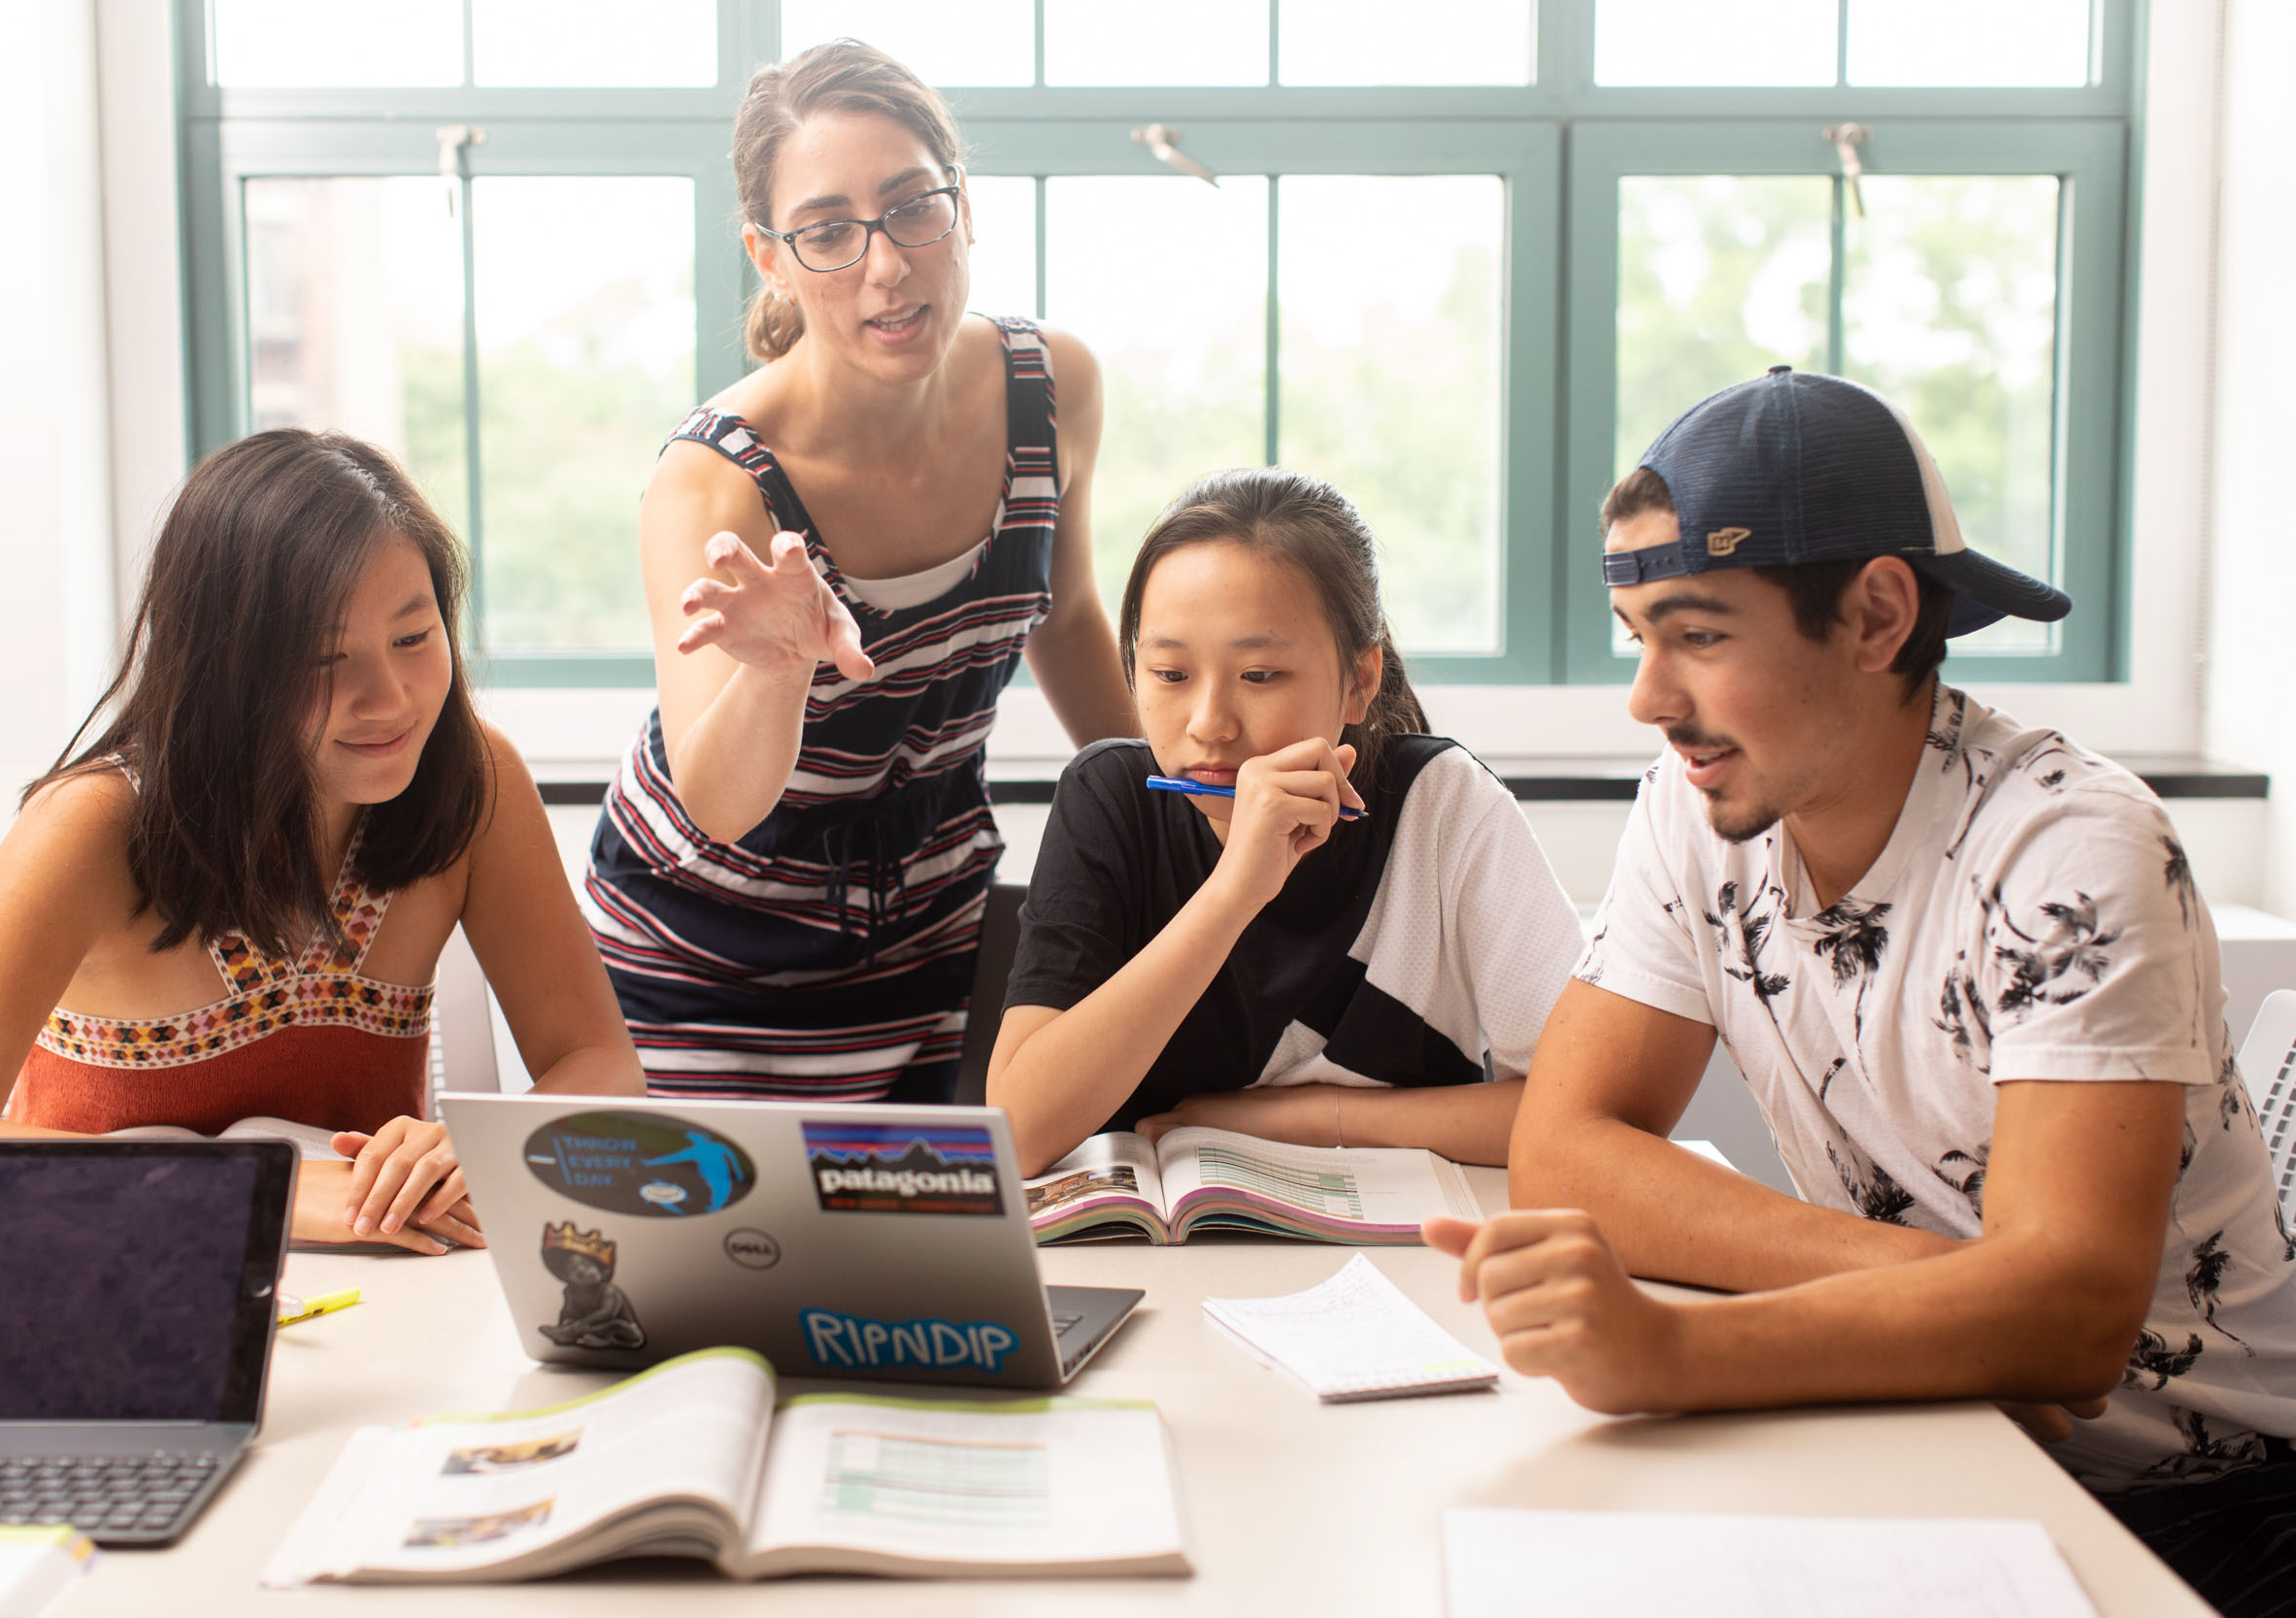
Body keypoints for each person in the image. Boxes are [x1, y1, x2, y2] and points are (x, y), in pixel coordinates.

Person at [1424, 368, 2296, 1616]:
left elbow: (2069, 1320)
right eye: (1641, 640)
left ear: (1878, 613)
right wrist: (1952, 1301)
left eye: (1700, 634)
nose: (1648, 700)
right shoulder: (1695, 806)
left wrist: (1676, 1350)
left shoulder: (2071, 847)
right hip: (1936, 1415)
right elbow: (1565, 1149)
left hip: (2190, 1512)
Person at [0, 429, 646, 1255]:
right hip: (99, 1286)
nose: (388, 699)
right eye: (325, 658)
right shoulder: (91, 825)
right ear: (224, 667)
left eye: (413, 637)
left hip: (381, 1308)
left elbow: (601, 1061)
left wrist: (491, 1136)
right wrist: (261, 1190)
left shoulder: (475, 776)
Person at [583, 40, 1137, 1106]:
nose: (885, 265)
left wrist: (1172, 808)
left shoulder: (1051, 384)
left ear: (962, 207)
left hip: (924, 925)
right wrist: (780, 665)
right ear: (769, 255)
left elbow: (1064, 619)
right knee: (720, 1269)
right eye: (829, 231)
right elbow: (715, 801)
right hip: (701, 949)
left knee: (916, 1263)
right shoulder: (715, 481)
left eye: (911, 207)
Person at [988, 468, 1581, 1176]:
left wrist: (1300, 1120)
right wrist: (1234, 891)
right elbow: (1016, 1130)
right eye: (1171, 675)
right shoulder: (1107, 797)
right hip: (1153, 1262)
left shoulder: (1445, 805)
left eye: (1259, 675)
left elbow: (1581, 1109)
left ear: (1361, 680)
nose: (1208, 725)